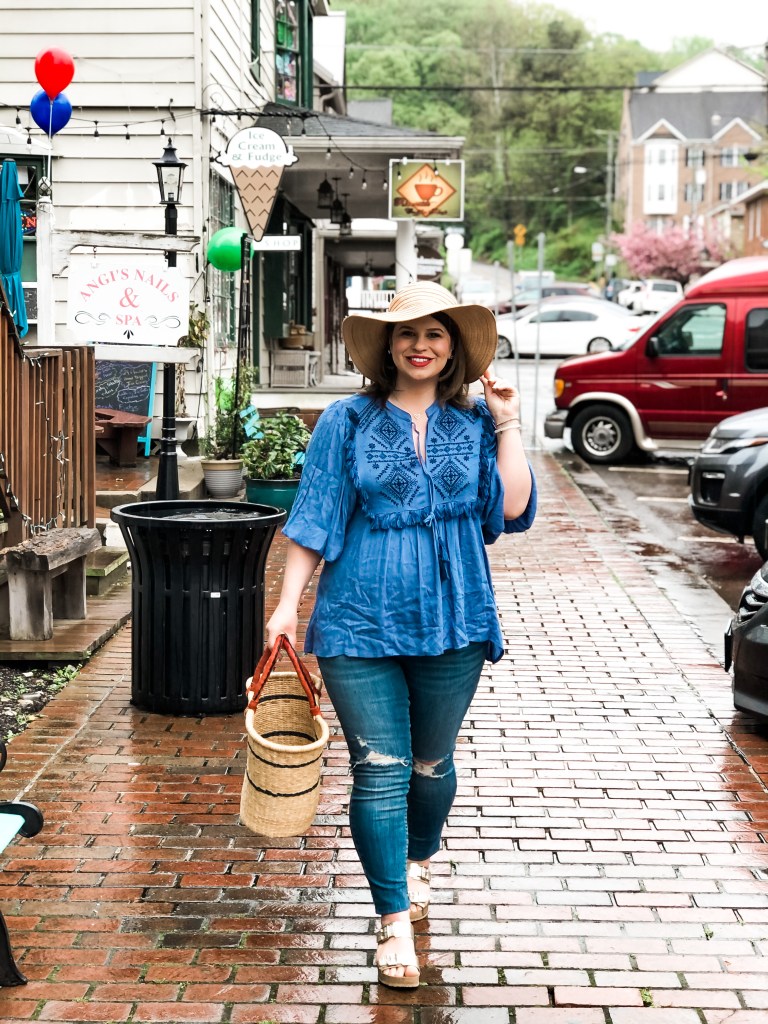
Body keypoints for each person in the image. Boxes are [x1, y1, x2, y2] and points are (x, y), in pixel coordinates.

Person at [266, 281, 536, 989]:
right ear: (387, 347)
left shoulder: (475, 425)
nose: (420, 345)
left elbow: (507, 509)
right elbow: (314, 515)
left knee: (431, 766)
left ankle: (419, 860)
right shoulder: (346, 421)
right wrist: (286, 606)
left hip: (455, 617)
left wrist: (507, 423)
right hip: (358, 618)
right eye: (407, 333)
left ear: (454, 351)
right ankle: (391, 923)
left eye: (436, 334)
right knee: (379, 770)